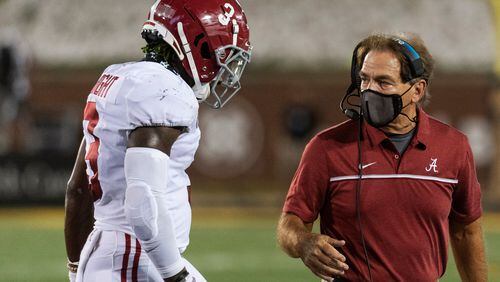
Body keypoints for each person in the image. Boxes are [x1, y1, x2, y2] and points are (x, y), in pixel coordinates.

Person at [64, 0, 251, 281]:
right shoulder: (164, 92)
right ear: (197, 44)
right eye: (225, 55)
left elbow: (78, 190)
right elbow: (143, 197)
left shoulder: (117, 77)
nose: (226, 68)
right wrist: (175, 275)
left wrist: (78, 266)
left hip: (114, 253)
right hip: (135, 257)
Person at [276, 33, 487, 281]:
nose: (369, 91)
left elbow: (466, 232)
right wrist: (303, 243)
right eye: (364, 79)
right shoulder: (326, 147)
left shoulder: (454, 146)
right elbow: (289, 224)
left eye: (383, 82)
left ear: (417, 90)